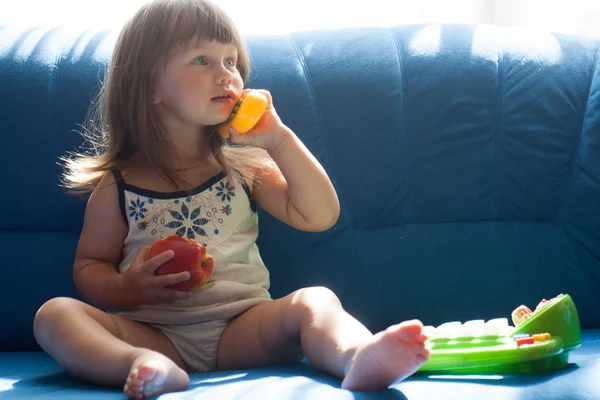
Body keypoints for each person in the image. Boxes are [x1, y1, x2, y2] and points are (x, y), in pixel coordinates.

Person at [32, 0, 430, 398]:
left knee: (315, 300)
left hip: (244, 328)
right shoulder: (117, 186)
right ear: (150, 86)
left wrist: (278, 139)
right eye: (202, 60)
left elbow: (320, 215)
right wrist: (127, 289)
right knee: (54, 315)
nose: (226, 74)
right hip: (154, 335)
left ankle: (357, 356)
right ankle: (138, 365)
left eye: (231, 61)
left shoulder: (244, 167)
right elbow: (90, 266)